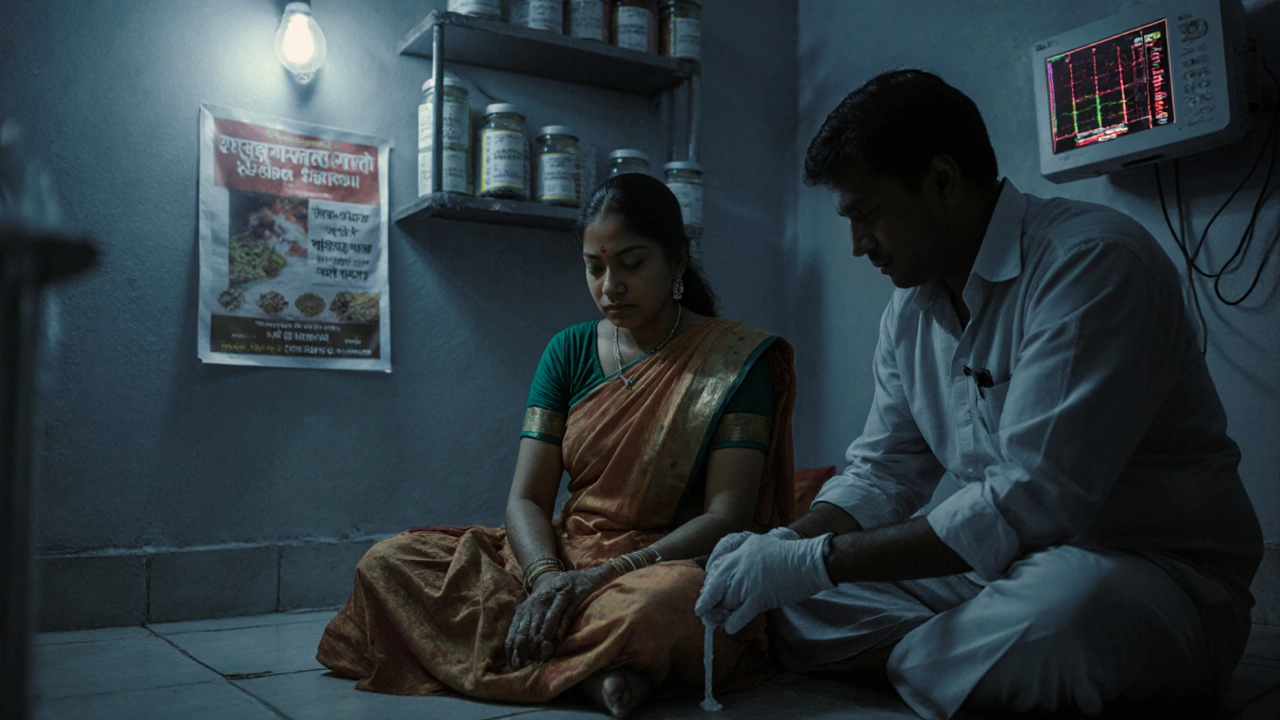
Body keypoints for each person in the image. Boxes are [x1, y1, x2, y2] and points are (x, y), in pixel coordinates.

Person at [696, 69, 1263, 719]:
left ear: (941, 181)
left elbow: (1033, 498)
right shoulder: (909, 313)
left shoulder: (1093, 263)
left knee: (1064, 617)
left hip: (1148, 577)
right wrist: (783, 549)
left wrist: (814, 561)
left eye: (868, 214)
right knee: (790, 599)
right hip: (996, 573)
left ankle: (932, 661)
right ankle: (956, 667)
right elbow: (882, 474)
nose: (857, 246)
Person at [317, 172, 797, 718]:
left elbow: (728, 517)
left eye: (632, 264)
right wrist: (546, 578)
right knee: (390, 563)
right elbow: (526, 501)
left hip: (661, 563)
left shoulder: (734, 361)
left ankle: (561, 663)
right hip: (562, 555)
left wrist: (602, 575)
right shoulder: (568, 350)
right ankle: (598, 675)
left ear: (678, 260)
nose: (609, 286)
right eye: (595, 268)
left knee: (666, 606)